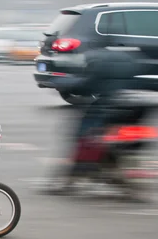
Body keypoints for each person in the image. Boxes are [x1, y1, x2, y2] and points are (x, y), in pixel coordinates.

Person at [53, 46, 145, 182]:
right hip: (128, 108)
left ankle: (81, 169)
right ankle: (109, 164)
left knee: (83, 132)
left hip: (105, 110)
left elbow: (85, 85)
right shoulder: (130, 64)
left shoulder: (98, 68)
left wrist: (64, 84)